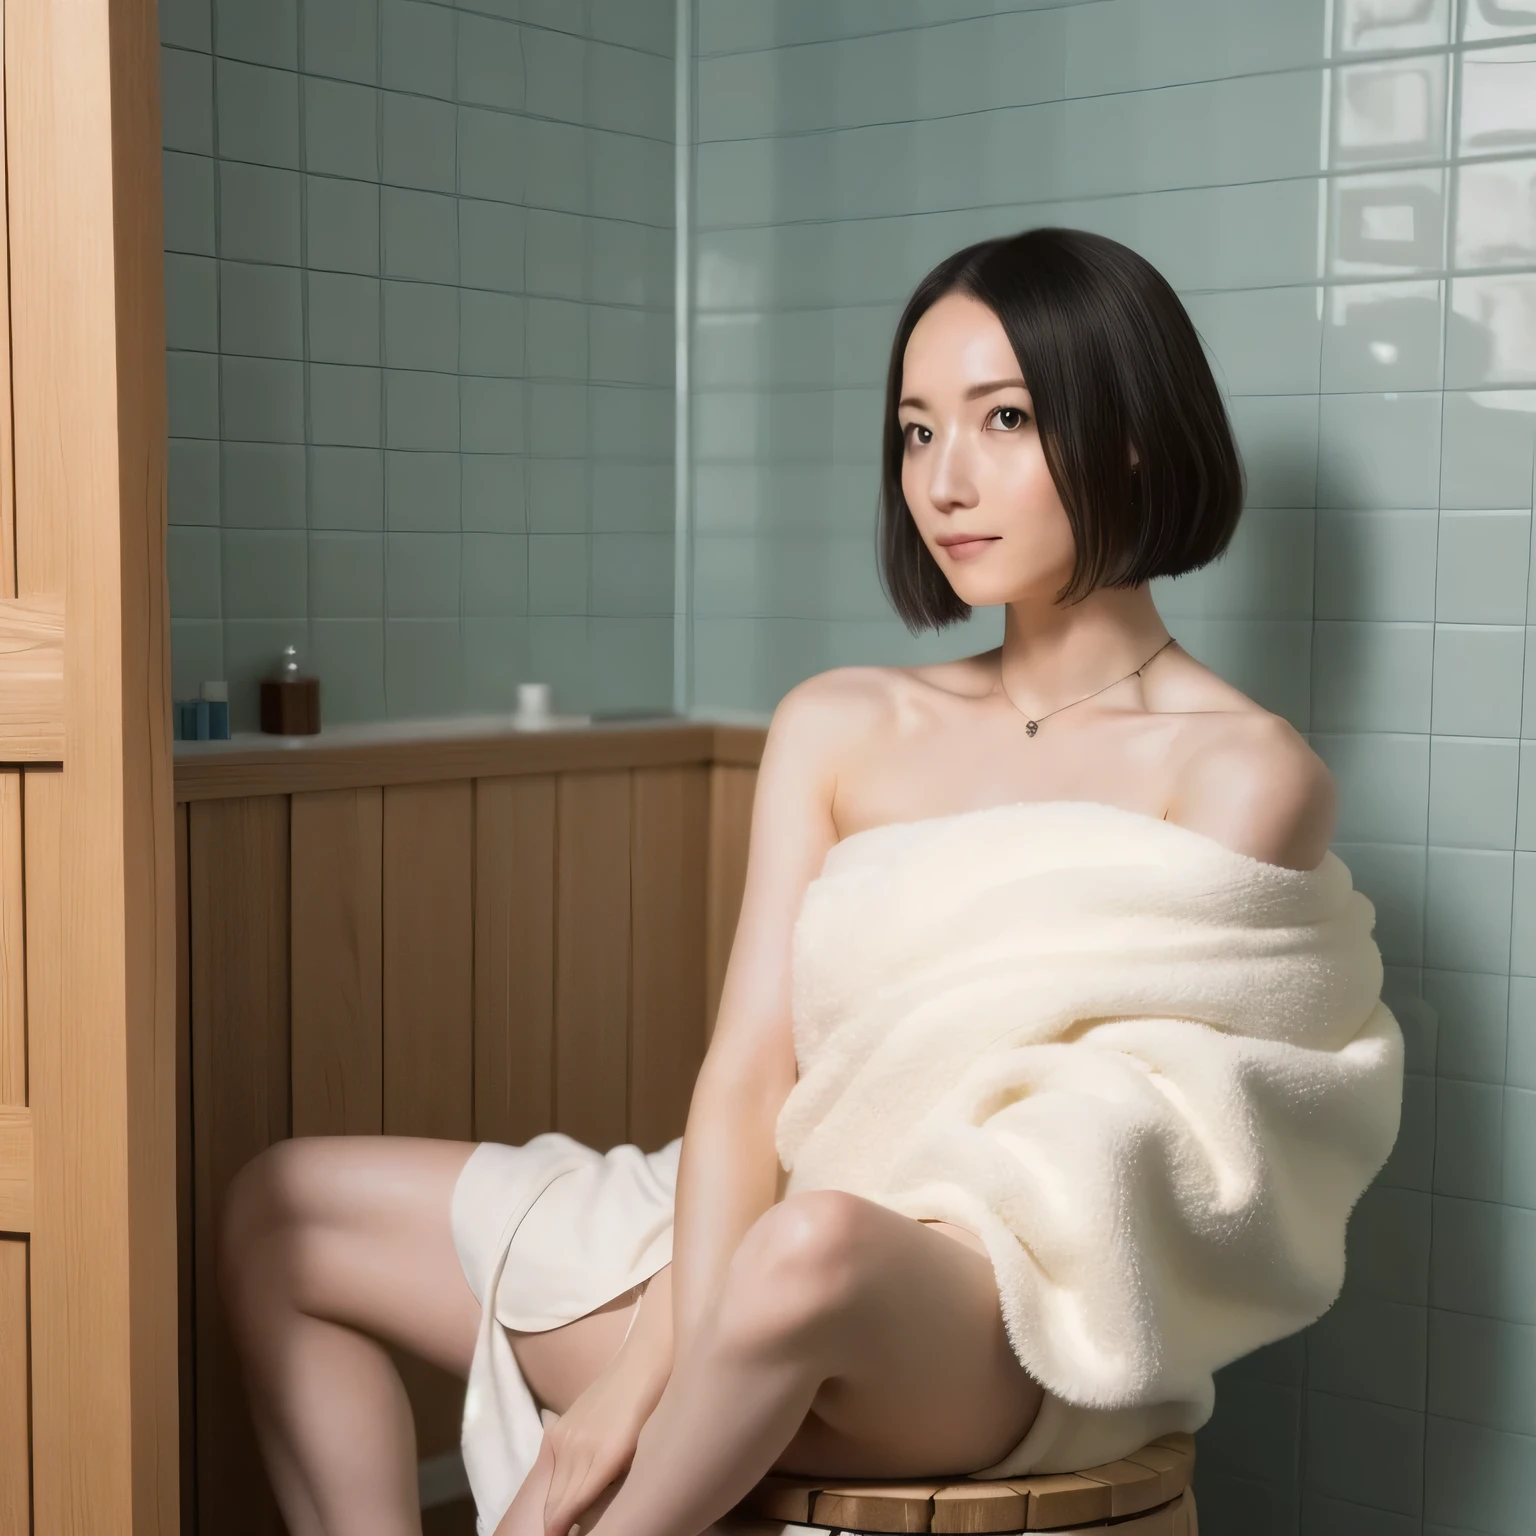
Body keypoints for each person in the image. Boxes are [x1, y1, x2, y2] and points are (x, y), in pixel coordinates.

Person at [218, 228, 1379, 1536]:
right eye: (917, 432)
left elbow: (1152, 1146)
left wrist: (687, 1350)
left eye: (1003, 419)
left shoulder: (1238, 772)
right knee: (286, 1213)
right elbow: (748, 1075)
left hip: (993, 1317)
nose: (946, 480)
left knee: (814, 1249)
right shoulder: (843, 722)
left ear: (1128, 437)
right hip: (736, 1246)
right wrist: (634, 1377)